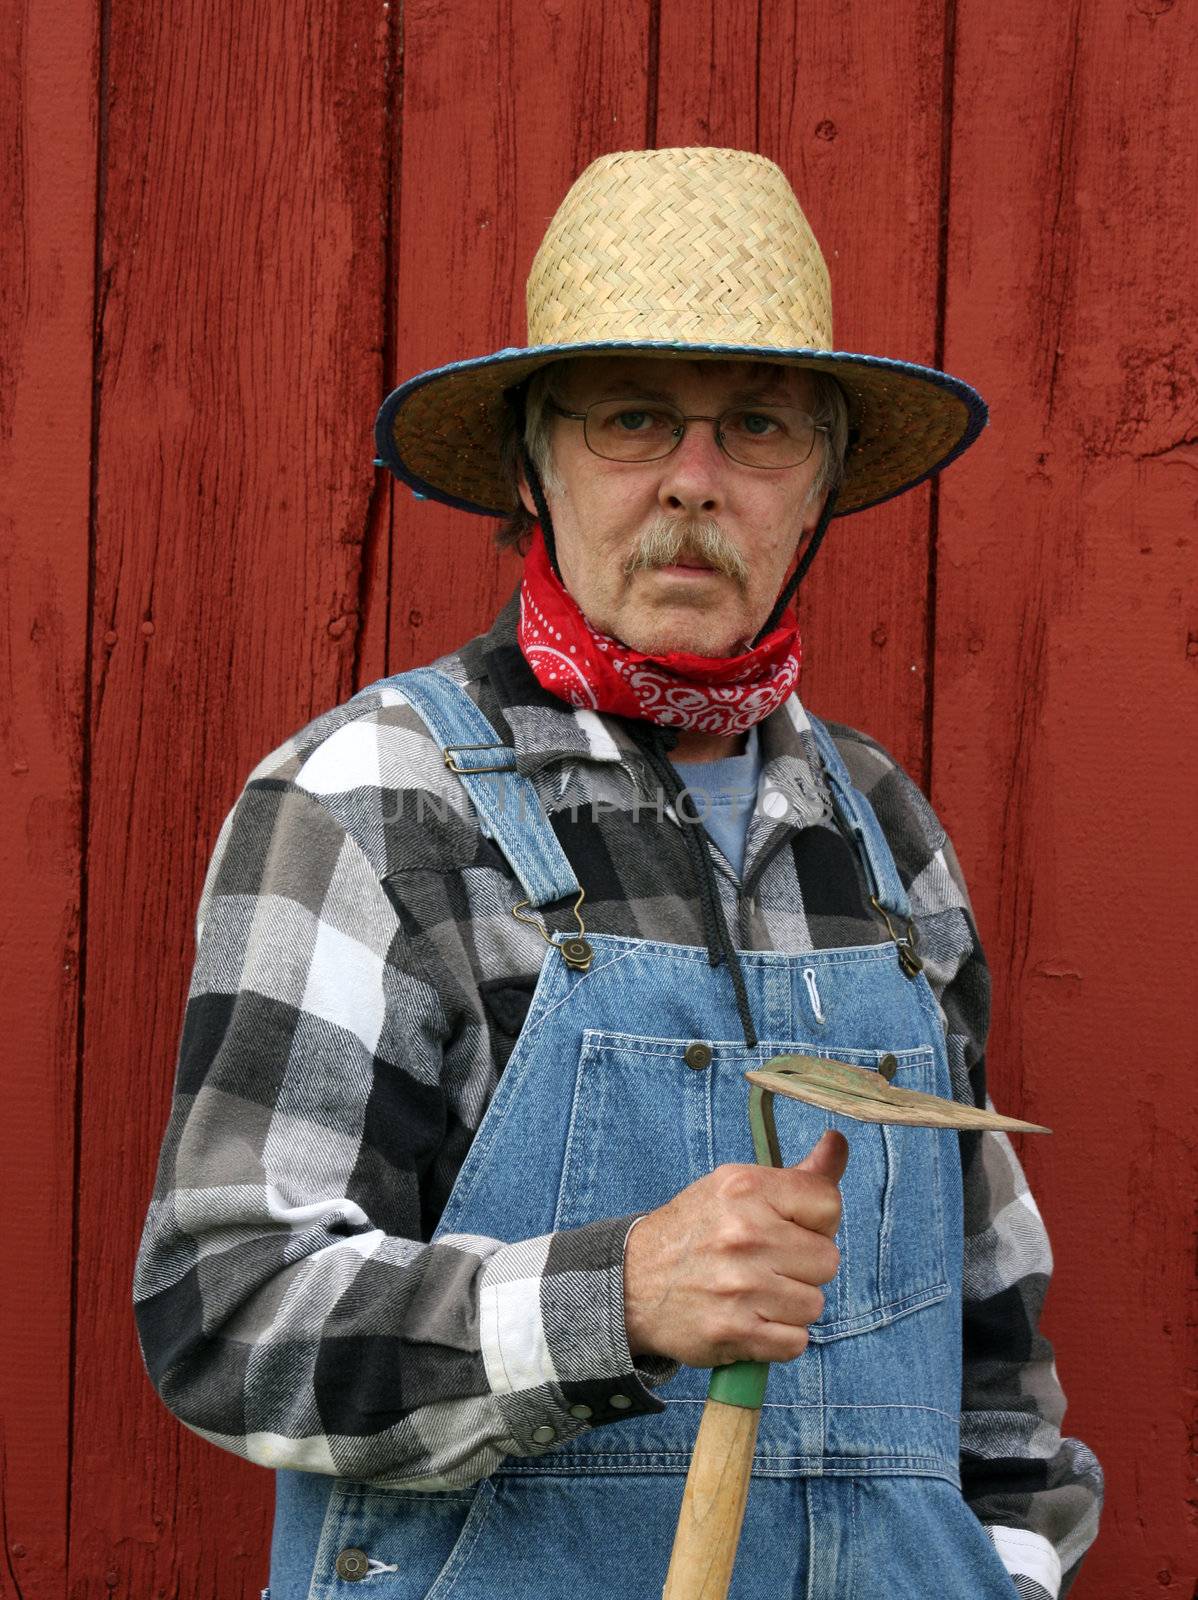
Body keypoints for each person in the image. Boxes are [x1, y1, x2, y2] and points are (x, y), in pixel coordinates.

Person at [134, 147, 1102, 1599]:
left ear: (822, 484)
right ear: (533, 464)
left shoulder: (877, 829)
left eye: (759, 429)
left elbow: (993, 1358)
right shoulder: (377, 799)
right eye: (633, 420)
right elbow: (230, 1319)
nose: (693, 482)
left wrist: (1002, 1574)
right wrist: (612, 1299)